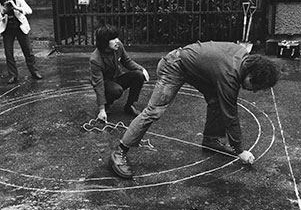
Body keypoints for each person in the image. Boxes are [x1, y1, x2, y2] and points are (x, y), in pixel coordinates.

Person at [108, 41, 280, 179]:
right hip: (174, 65)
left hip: (194, 68)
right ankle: (120, 151)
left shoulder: (243, 56)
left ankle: (211, 140)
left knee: (216, 100)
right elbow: (231, 116)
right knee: (154, 111)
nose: (254, 91)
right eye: (255, 86)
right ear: (250, 75)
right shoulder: (230, 75)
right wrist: (240, 150)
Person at [90, 25, 150, 122]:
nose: (117, 40)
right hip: (106, 83)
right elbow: (99, 84)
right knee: (116, 90)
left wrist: (142, 69)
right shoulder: (95, 59)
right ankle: (106, 105)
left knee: (138, 75)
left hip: (117, 77)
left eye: (116, 37)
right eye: (113, 39)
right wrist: (101, 109)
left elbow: (127, 61)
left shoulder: (118, 46)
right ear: (104, 42)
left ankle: (129, 105)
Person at [0, 0, 42, 83]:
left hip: (20, 26)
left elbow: (29, 10)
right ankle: (13, 75)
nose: (6, 2)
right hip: (7, 29)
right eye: (4, 1)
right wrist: (2, 13)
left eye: (8, 0)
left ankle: (34, 71)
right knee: (9, 53)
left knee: (28, 50)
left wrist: (16, 7)